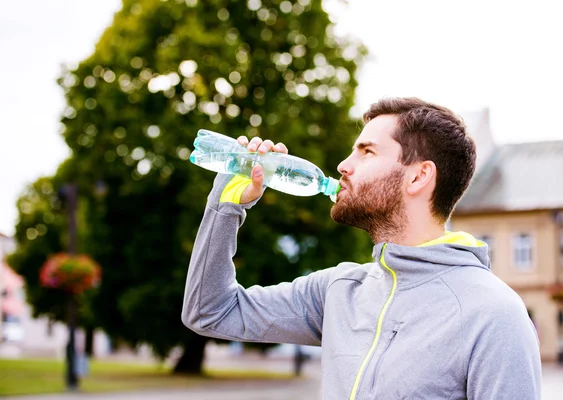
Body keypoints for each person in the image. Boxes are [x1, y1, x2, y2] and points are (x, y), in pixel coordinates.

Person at [182, 97, 542, 399]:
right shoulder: (338, 291)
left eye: (366, 152)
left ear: (418, 176)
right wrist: (226, 205)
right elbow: (209, 311)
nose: (342, 166)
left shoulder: (493, 314)